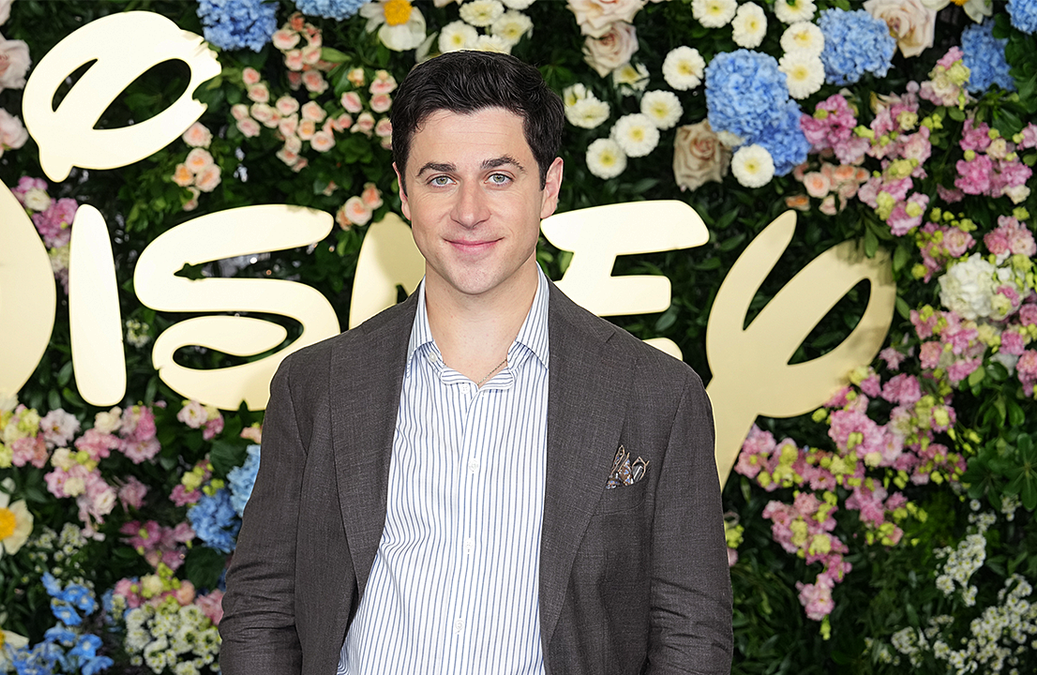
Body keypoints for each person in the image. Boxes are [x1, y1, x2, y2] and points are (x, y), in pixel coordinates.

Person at [219, 50, 732, 674]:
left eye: (499, 176)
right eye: (439, 178)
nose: (468, 211)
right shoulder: (315, 385)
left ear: (549, 187)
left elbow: (691, 635)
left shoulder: (656, 396)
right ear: (404, 193)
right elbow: (262, 609)